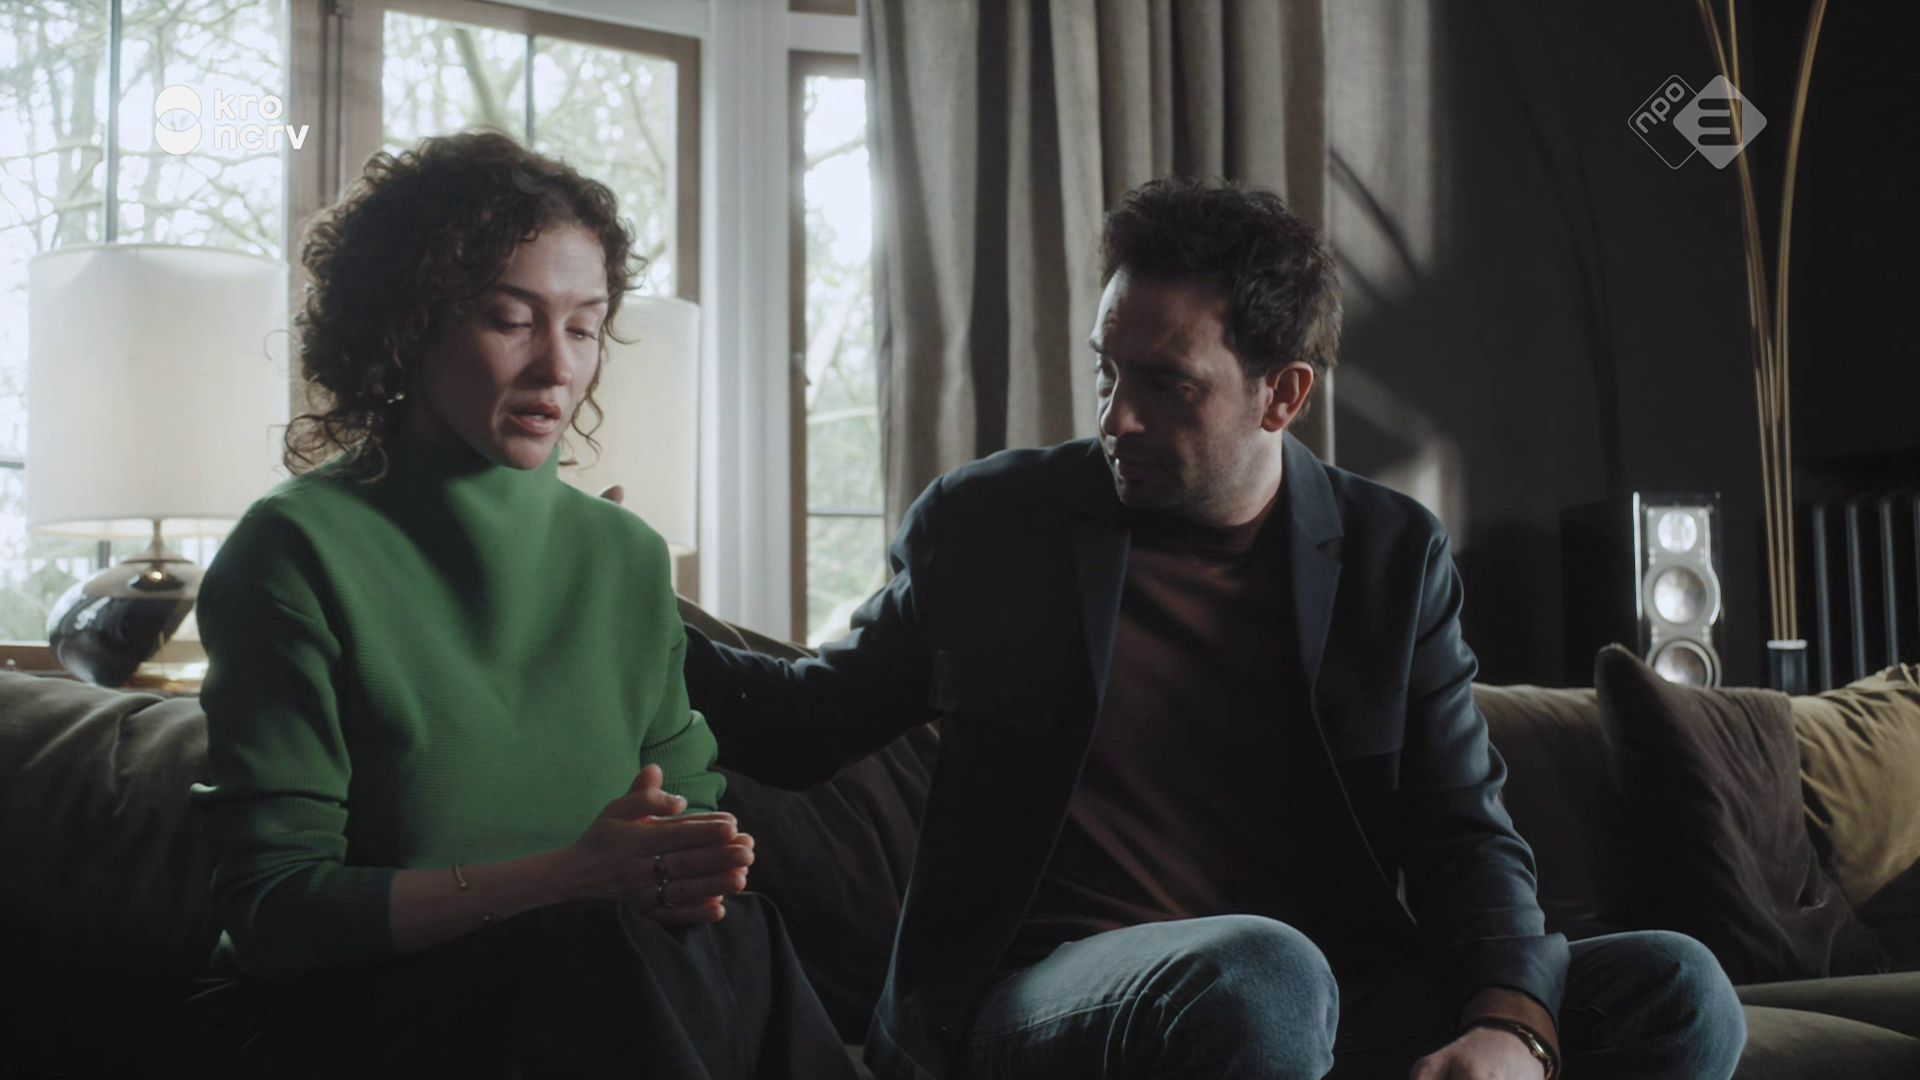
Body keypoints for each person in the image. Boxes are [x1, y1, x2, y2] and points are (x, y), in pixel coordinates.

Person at [682, 177, 1749, 1080]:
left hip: (1324, 996)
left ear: (1282, 395)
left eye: (1166, 386)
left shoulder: (1389, 555)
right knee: (1261, 972)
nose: (1117, 417)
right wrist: (614, 585)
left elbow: (1462, 828)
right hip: (1039, 1000)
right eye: (1107, 371)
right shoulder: (995, 524)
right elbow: (804, 723)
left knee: (1677, 985)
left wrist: (1512, 1026)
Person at [184, 130, 856, 1080]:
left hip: (593, 999)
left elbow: (683, 834)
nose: (558, 369)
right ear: (406, 325)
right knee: (593, 951)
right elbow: (275, 912)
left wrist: (680, 872)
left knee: (739, 939)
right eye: (512, 319)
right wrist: (569, 877)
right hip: (341, 1014)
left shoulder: (624, 558)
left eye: (584, 328)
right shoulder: (294, 550)